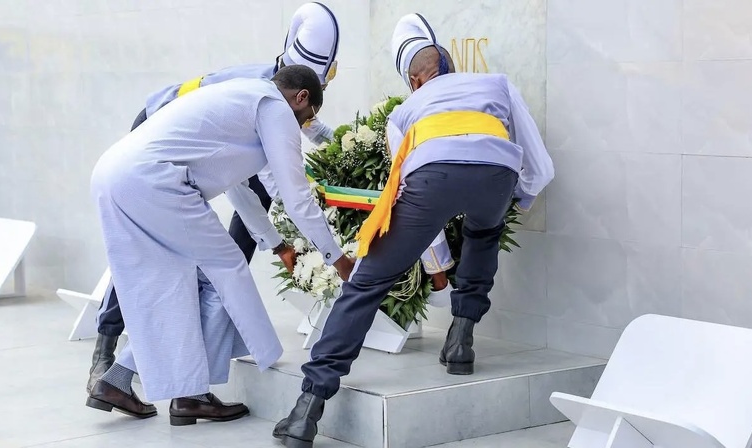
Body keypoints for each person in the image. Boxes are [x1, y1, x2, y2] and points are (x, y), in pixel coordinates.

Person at [272, 13, 555, 448]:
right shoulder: (497, 84)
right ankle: (461, 343)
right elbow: (536, 159)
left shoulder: (405, 112)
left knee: (367, 284)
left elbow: (410, 197)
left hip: (430, 180)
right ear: (447, 66)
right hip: (497, 174)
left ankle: (306, 409)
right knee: (484, 234)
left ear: (416, 79)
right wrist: (519, 197)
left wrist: (437, 265)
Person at [86, 1, 341, 393]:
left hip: (114, 171)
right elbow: (294, 197)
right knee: (226, 270)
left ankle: (124, 383)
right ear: (302, 96)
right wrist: (336, 258)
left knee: (173, 279)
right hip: (153, 177)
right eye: (306, 118)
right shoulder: (273, 107)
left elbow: (238, 190)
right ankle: (228, 373)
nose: (302, 128)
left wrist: (276, 245)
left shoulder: (248, 92)